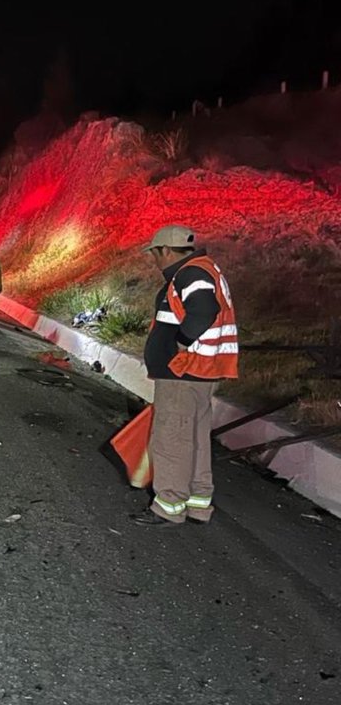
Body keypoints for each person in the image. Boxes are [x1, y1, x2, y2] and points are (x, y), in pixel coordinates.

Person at [131, 225, 239, 527]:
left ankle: (169, 506)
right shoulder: (203, 270)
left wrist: (181, 341)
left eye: (155, 253)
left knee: (173, 440)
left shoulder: (190, 274)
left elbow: (203, 310)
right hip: (198, 373)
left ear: (165, 251)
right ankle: (197, 504)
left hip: (183, 372)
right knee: (195, 439)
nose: (154, 260)